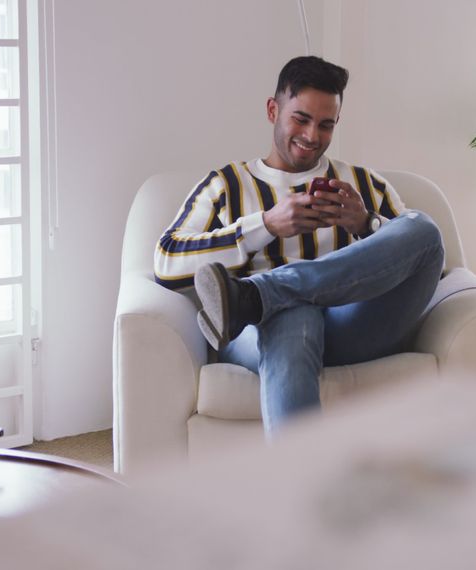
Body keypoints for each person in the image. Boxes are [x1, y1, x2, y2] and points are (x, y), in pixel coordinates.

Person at [153, 56, 445, 434]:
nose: (311, 136)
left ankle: (258, 294)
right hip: (260, 331)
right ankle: (302, 486)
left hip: (353, 324)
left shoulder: (363, 183)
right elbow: (167, 260)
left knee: (424, 228)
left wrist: (365, 223)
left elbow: (424, 260)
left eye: (326, 125)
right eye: (301, 119)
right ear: (273, 109)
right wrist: (266, 225)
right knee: (294, 313)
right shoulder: (227, 184)